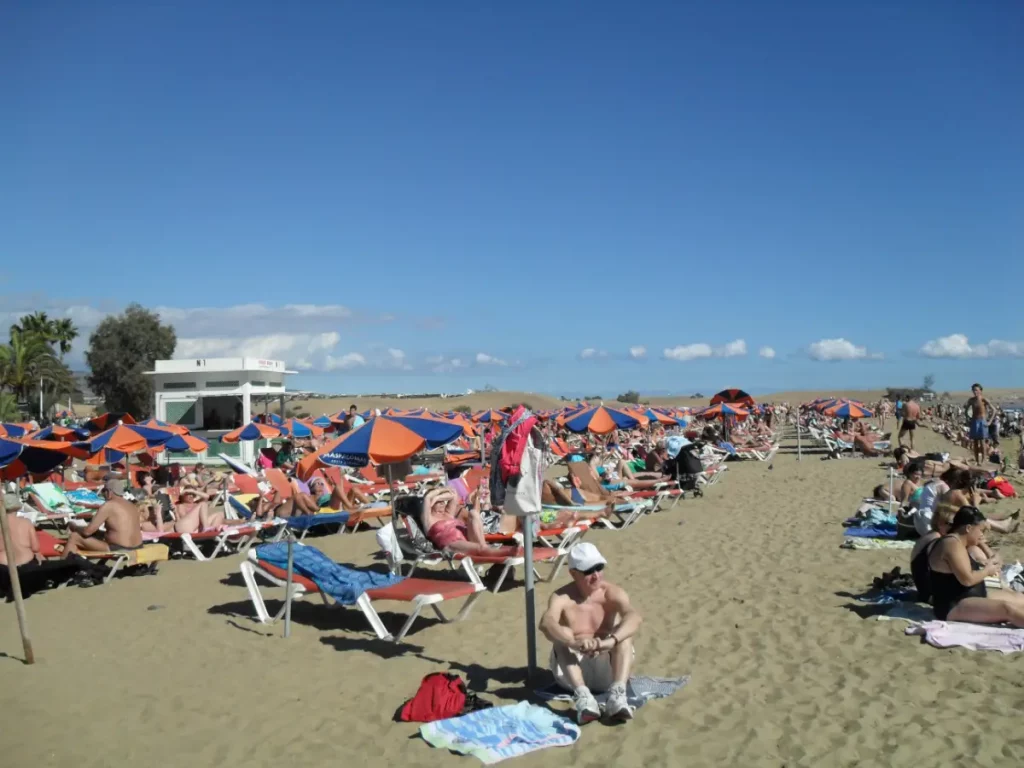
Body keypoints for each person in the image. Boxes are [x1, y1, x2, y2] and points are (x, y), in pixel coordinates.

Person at [539, 543, 641, 724]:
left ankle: (617, 695)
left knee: (624, 632)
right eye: (588, 571)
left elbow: (634, 617)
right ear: (573, 573)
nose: (596, 576)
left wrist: (609, 642)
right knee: (562, 633)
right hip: (571, 673)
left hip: (608, 669)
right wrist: (572, 642)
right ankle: (583, 697)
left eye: (599, 568)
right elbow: (546, 623)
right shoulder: (562, 597)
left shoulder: (611, 592)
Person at [926, 506, 1024, 626]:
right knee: (1007, 609)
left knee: (1020, 598)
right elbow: (967, 580)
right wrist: (988, 570)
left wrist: (986, 562)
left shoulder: (959, 542)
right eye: (980, 530)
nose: (982, 535)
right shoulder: (951, 544)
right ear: (968, 528)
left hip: (972, 595)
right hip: (955, 605)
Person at [62, 477, 143, 556]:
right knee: (98, 535)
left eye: (103, 491)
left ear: (109, 492)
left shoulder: (108, 505)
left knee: (74, 537)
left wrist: (75, 527)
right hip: (138, 547)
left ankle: (61, 566)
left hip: (119, 549)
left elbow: (87, 532)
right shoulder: (132, 505)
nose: (103, 494)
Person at [0, 493, 42, 567]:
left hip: (4, 566)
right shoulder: (26, 522)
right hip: (27, 563)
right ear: (17, 507)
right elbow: (35, 548)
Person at [965, 383, 995, 466]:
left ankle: (983, 460)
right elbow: (966, 410)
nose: (975, 392)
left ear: (980, 391)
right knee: (974, 442)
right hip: (974, 421)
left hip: (982, 421)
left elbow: (994, 410)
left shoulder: (983, 399)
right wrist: (968, 419)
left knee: (982, 442)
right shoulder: (971, 400)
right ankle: (977, 460)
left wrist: (989, 422)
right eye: (974, 390)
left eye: (976, 390)